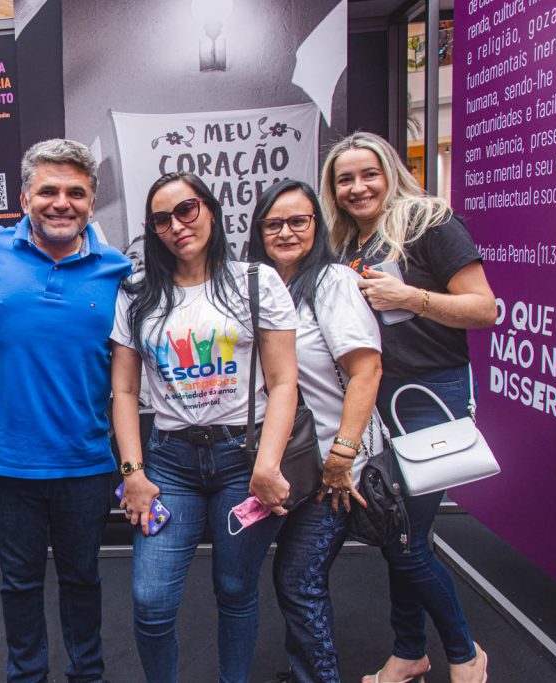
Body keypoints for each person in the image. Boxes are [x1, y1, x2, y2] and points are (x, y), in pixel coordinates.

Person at [0, 139, 132, 683]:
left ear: (92, 201)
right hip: (3, 460)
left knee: (83, 579)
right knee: (19, 581)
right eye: (48, 190)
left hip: (84, 460)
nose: (62, 202)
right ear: (26, 195)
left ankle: (88, 674)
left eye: (75, 192)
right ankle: (26, 675)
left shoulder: (116, 269)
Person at [320, 131, 496, 683]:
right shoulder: (343, 243)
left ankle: (465, 655)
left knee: (404, 538)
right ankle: (408, 651)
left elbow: (484, 309)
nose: (357, 187)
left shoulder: (427, 222)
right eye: (344, 179)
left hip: (428, 398)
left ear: (389, 172)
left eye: (367, 174)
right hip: (374, 402)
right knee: (399, 533)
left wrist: (411, 298)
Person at [110, 171, 299, 683]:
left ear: (211, 211)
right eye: (161, 220)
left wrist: (267, 463)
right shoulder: (136, 292)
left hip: (243, 459)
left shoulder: (257, 282)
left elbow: (283, 383)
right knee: (151, 600)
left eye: (187, 210)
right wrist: (133, 472)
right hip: (170, 462)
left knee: (236, 591)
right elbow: (125, 391)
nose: (176, 226)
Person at [246, 179, 383, 683]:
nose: (285, 232)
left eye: (298, 221)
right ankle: (301, 668)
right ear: (258, 230)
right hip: (275, 466)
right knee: (279, 579)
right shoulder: (251, 287)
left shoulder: (332, 283)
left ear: (316, 226)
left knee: (298, 578)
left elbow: (366, 371)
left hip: (328, 466)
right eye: (273, 223)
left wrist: (343, 456)